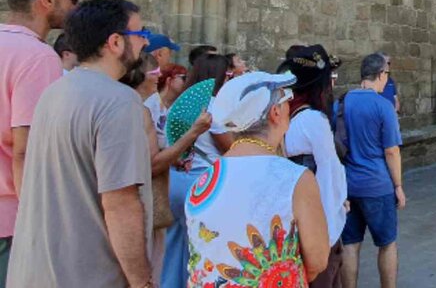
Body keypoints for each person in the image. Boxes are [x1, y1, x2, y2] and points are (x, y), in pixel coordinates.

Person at [8, 0, 153, 288]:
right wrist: (142, 283)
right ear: (115, 42)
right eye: (141, 35)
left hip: (35, 271)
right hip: (88, 275)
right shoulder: (119, 102)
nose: (144, 44)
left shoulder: (54, 92)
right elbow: (120, 203)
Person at [186, 71, 329, 285]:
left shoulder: (204, 180)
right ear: (275, 112)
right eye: (287, 98)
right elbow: (317, 260)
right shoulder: (295, 178)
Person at [0, 0, 79, 284]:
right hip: (13, 218)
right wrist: (40, 221)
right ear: (47, 0)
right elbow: (26, 150)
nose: (75, 8)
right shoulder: (37, 56)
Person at [122, 60, 211, 283]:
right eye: (154, 72)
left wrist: (173, 159)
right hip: (139, 199)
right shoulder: (138, 109)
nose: (157, 77)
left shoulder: (133, 106)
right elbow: (151, 165)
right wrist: (193, 133)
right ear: (138, 75)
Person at [279, 44, 349, 288]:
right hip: (317, 221)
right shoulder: (312, 120)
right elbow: (329, 175)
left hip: (290, 217)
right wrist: (336, 210)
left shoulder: (283, 115)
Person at [162, 52, 233, 288]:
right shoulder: (213, 106)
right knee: (200, 247)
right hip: (202, 183)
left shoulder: (180, 103)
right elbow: (229, 147)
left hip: (175, 178)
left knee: (172, 245)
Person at [341, 53, 405, 288]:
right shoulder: (383, 106)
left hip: (348, 186)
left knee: (350, 245)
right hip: (377, 185)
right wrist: (398, 186)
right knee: (387, 243)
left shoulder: (343, 101)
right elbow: (392, 151)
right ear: (380, 74)